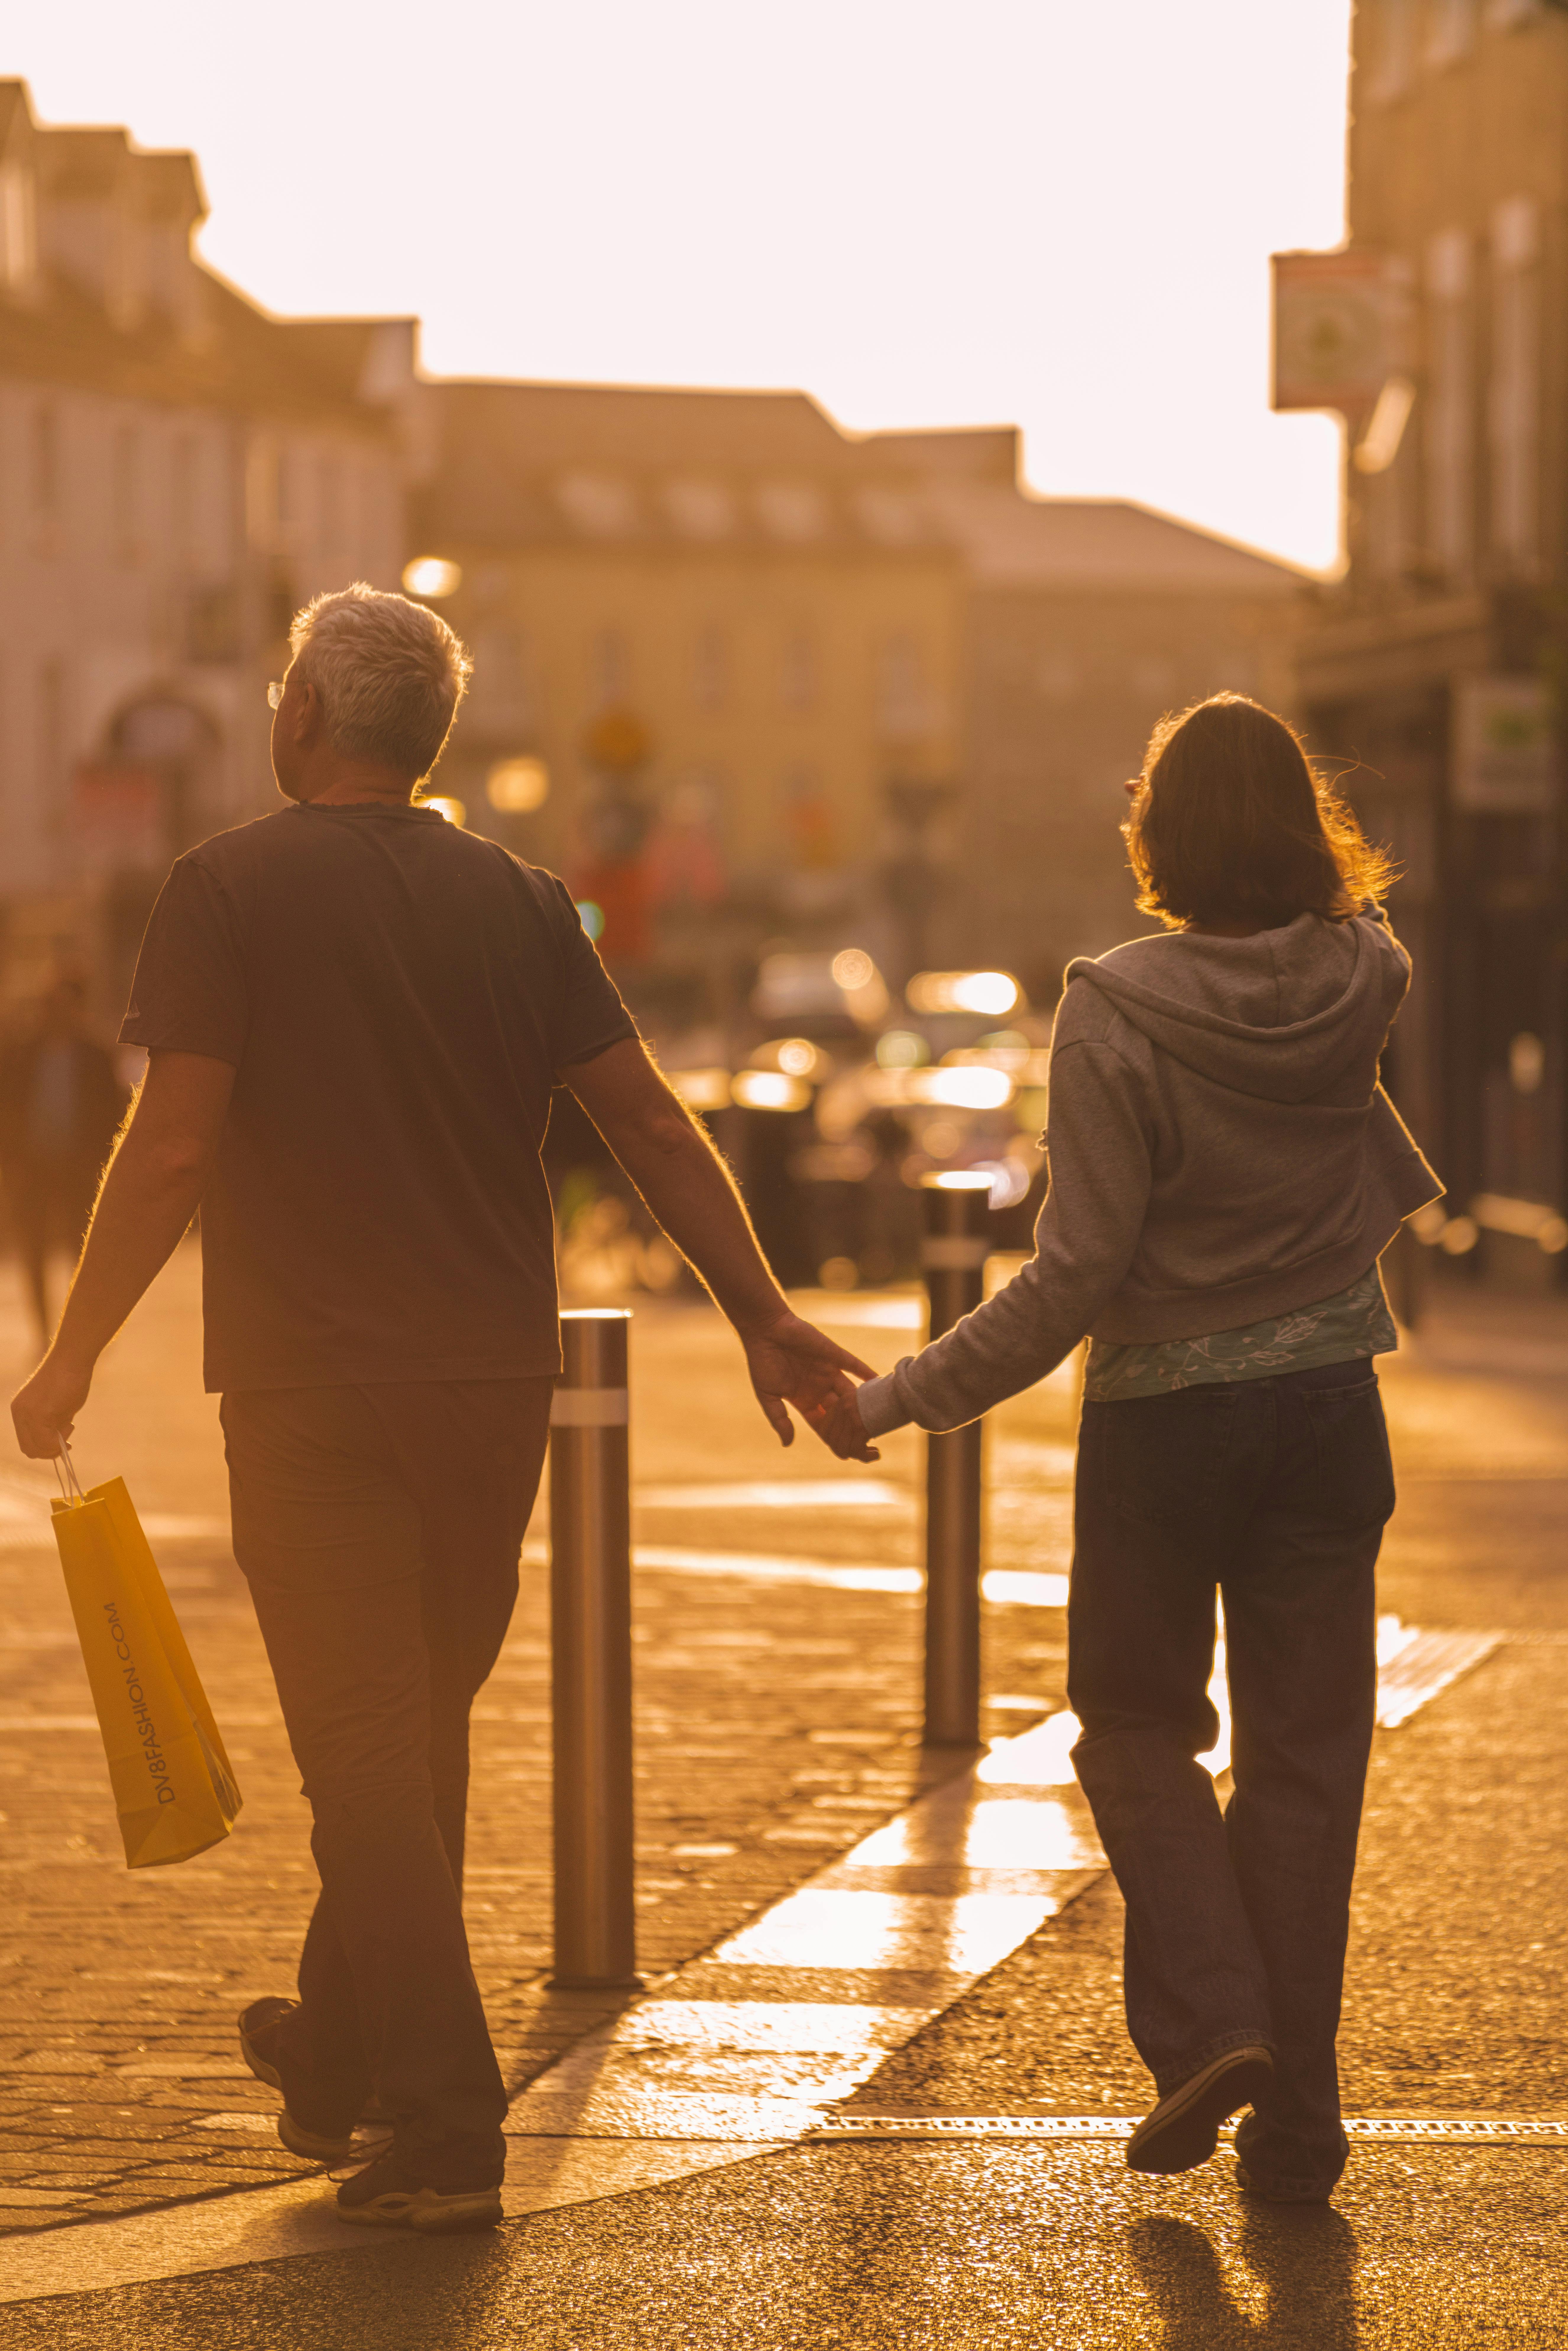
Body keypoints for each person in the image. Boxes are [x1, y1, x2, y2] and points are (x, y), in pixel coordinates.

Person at [10, 582, 873, 2237]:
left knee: (367, 1755)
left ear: (301, 719)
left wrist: (72, 1348)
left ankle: (451, 2112)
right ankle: (342, 2055)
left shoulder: (225, 887)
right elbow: (649, 1120)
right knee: (404, 1743)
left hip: (310, 1385)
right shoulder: (523, 897)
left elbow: (176, 1143)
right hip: (491, 1386)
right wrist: (760, 1309)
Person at [820, 694, 1440, 2205]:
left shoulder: (1113, 1004)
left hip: (1164, 1423)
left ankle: (1214, 2021)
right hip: (1324, 1413)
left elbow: (1074, 1269)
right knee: (1307, 1765)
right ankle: (1296, 2125)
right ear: (1305, 825)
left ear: (1153, 831)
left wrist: (901, 1393)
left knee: (1137, 1727)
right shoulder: (1368, 972)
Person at [0, 974, 128, 1345]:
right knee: (34, 1253)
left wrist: (103, 1165)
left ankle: (81, 1333)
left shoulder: (96, 1057)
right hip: (32, 1169)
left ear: (78, 1008)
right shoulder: (20, 1054)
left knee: (83, 1251)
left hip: (80, 1170)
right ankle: (45, 1334)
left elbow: (113, 1115)